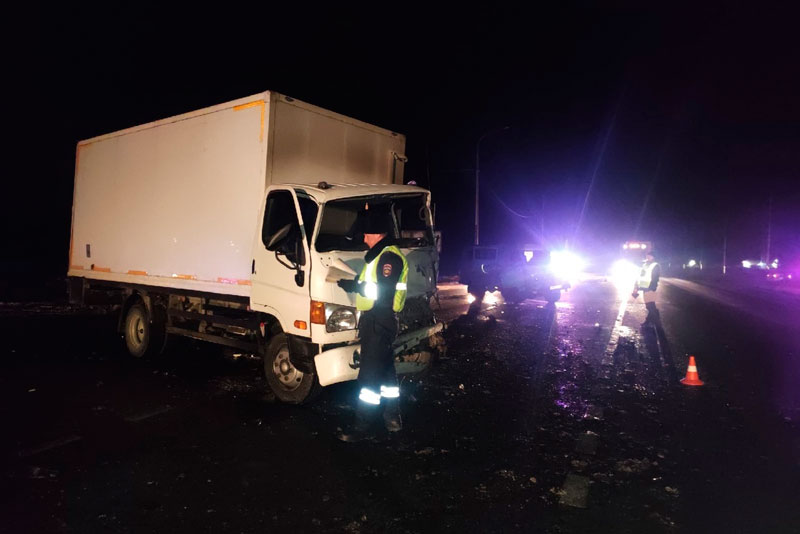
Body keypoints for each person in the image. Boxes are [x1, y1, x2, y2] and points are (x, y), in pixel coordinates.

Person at [336, 203, 408, 442]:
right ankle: (393, 419)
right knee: (386, 374)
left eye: (367, 233)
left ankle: (361, 426)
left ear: (378, 233)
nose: (364, 237)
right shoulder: (380, 256)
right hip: (379, 320)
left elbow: (383, 293)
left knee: (368, 377)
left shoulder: (388, 257)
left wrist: (354, 286)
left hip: (380, 320)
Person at [632, 250, 661, 327]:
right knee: (649, 305)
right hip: (644, 288)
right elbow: (639, 276)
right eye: (647, 256)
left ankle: (651, 321)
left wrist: (652, 288)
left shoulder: (655, 265)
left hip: (650, 288)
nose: (647, 257)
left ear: (653, 257)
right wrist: (636, 287)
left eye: (649, 256)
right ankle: (654, 320)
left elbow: (655, 278)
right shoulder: (644, 265)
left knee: (651, 305)